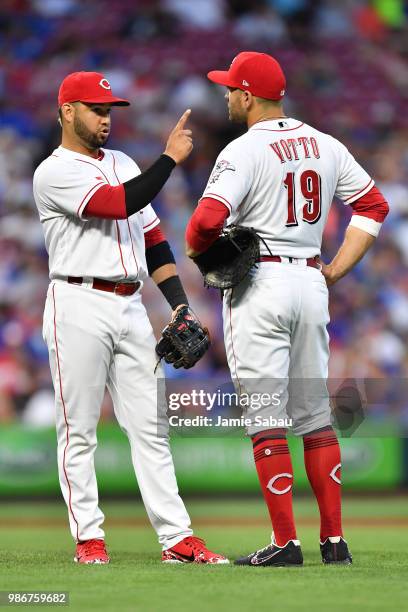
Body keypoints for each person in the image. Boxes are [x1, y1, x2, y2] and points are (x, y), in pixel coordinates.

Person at [185, 52, 389, 566]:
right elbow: (373, 205)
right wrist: (336, 270)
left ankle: (284, 543)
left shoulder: (243, 149)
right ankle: (335, 542)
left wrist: (202, 249)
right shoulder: (325, 143)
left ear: (249, 95)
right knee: (315, 416)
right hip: (311, 280)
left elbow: (202, 225)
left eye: (231, 89)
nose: (227, 96)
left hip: (261, 282)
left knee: (266, 417)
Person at [33, 71, 228, 565]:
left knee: (152, 427)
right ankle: (89, 539)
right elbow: (120, 202)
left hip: (130, 304)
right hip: (76, 302)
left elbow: (154, 238)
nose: (105, 118)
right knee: (78, 429)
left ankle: (177, 539)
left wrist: (178, 303)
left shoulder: (120, 161)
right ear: (67, 111)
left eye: (110, 110)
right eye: (96, 109)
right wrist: (170, 158)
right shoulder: (52, 172)